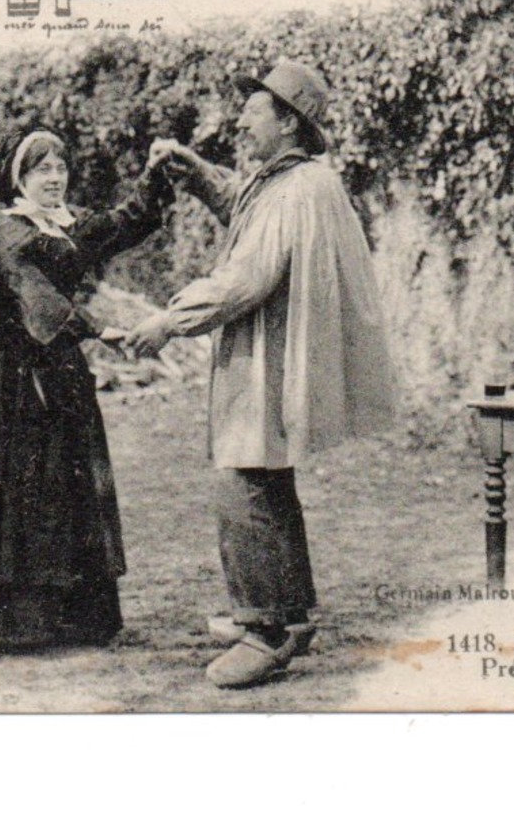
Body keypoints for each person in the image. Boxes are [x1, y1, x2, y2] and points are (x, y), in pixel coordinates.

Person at [125, 61, 395, 689]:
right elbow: (247, 212)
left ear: (288, 122)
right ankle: (292, 616)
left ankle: (264, 629)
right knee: (268, 477)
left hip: (267, 356)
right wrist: (199, 177)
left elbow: (246, 277)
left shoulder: (297, 189)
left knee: (241, 480)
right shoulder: (295, 181)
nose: (242, 120)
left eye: (254, 110)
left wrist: (170, 321)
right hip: (277, 352)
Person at [0, 127, 173, 653]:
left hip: (59, 369)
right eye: (42, 170)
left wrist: (156, 175)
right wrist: (96, 328)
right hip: (10, 375)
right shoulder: (4, 233)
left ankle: (73, 619)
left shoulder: (64, 224)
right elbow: (30, 292)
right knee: (14, 488)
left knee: (64, 484)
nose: (55, 178)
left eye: (60, 167)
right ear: (18, 178)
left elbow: (122, 225)